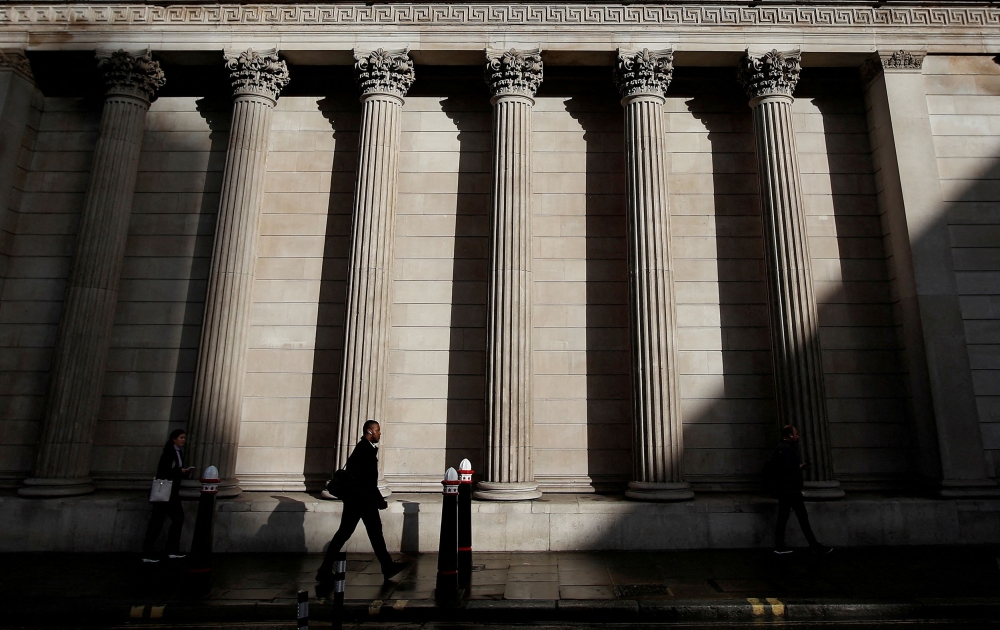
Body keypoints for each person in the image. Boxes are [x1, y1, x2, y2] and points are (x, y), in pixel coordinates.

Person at [316, 420, 407, 583]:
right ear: (370, 431)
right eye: (377, 430)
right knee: (363, 534)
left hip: (358, 501)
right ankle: (386, 567)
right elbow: (366, 481)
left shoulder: (365, 449)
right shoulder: (364, 450)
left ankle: (325, 570)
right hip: (362, 502)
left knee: (357, 534)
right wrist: (379, 500)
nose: (380, 433)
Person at [772, 425, 832, 555]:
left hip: (784, 490)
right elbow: (789, 470)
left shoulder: (780, 448)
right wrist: (799, 468)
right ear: (790, 435)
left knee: (783, 518)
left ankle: (780, 546)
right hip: (792, 491)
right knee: (802, 518)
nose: (798, 436)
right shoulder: (788, 449)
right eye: (796, 434)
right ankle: (813, 545)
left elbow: (784, 468)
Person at [142, 429, 194, 563]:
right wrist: (178, 471)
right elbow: (164, 471)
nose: (183, 440)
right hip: (164, 492)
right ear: (174, 439)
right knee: (157, 522)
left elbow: (174, 470)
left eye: (184, 438)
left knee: (177, 519)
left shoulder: (178, 453)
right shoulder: (168, 453)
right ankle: (148, 552)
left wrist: (183, 472)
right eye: (181, 437)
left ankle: (171, 549)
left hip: (172, 492)